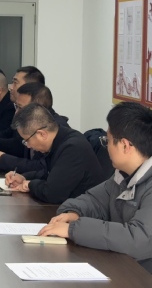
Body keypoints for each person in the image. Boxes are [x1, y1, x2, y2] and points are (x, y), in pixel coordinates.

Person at [39, 102, 152, 273]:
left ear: (125, 146)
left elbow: (138, 239)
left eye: (108, 141)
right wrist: (73, 213)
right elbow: (93, 200)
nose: (106, 148)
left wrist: (74, 229)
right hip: (122, 266)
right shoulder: (121, 176)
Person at [5, 103, 104, 204]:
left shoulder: (73, 147)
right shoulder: (59, 139)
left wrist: (30, 185)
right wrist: (24, 177)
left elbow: (52, 194)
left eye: (27, 140)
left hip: (85, 210)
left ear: (42, 134)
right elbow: (48, 173)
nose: (28, 146)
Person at [0, 83, 70, 173]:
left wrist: (5, 161)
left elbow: (42, 168)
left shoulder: (53, 129)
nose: (16, 112)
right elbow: (19, 148)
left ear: (37, 108)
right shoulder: (29, 124)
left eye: (20, 108)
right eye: (16, 106)